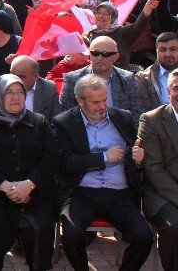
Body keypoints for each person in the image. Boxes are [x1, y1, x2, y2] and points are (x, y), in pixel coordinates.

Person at [54, 74, 153, 271]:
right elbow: (64, 163)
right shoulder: (64, 122)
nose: (102, 106)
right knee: (72, 235)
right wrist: (103, 158)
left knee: (144, 236)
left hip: (119, 193)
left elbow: (135, 155)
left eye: (104, 100)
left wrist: (139, 160)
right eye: (95, 102)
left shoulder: (122, 117)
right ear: (80, 101)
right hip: (82, 193)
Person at [0, 74, 57, 271]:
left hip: (34, 193)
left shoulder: (39, 122)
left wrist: (29, 184)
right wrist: (5, 186)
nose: (15, 97)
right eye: (9, 92)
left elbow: (51, 158)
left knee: (40, 226)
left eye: (20, 92)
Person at [137, 67, 178, 271]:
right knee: (175, 227)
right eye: (176, 88)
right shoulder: (151, 120)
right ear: (168, 91)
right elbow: (154, 169)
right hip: (162, 193)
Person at [59, 36, 143, 117]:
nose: (99, 58)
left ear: (116, 57)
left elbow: (137, 113)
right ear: (89, 55)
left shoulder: (127, 79)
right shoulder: (72, 79)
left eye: (105, 54)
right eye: (95, 53)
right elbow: (66, 115)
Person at [135, 31, 178, 112]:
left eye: (173, 49)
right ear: (156, 52)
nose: (168, 54)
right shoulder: (144, 79)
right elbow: (145, 112)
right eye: (163, 50)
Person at [9, 55, 60, 121]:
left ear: (35, 76)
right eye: (13, 75)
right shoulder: (1, 86)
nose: (15, 80)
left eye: (21, 77)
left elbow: (55, 120)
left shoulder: (49, 88)